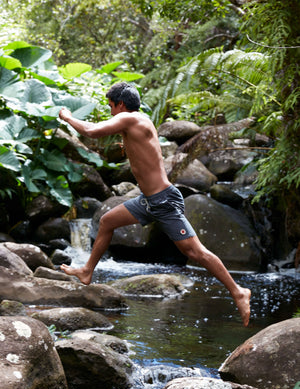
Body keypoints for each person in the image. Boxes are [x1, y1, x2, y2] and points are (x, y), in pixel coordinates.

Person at [59, 82, 251, 327]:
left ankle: (237, 291)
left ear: (120, 104)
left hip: (164, 201)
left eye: (111, 106)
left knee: (194, 252)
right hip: (149, 201)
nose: (110, 112)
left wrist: (67, 117)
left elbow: (91, 131)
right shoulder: (137, 121)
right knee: (107, 221)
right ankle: (87, 271)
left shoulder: (130, 119)